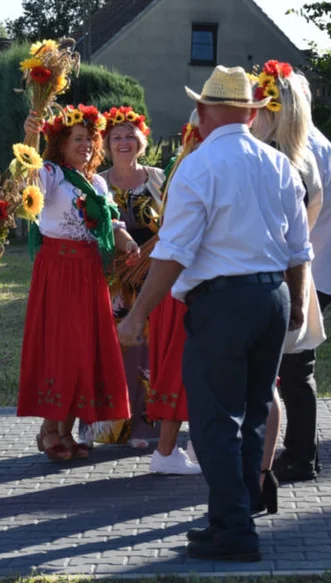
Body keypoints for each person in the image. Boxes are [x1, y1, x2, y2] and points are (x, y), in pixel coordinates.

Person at [117, 66, 312, 562]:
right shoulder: (277, 164)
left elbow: (176, 249)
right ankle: (234, 517)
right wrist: (295, 302)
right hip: (271, 296)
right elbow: (297, 248)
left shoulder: (199, 167)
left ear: (202, 113)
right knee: (252, 412)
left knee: (215, 420)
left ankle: (234, 530)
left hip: (223, 303)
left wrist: (138, 314)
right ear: (249, 114)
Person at [17, 104, 140, 462]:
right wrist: (31, 134)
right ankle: (49, 430)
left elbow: (110, 226)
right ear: (60, 142)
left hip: (89, 272)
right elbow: (30, 181)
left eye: (90, 138)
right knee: (64, 349)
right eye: (78, 138)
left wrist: (128, 243)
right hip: (59, 270)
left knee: (84, 351)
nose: (86, 144)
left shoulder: (96, 182)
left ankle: (65, 430)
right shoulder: (53, 173)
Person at [250, 60, 328, 506]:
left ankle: (278, 461)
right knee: (296, 373)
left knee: (270, 379)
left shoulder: (273, 160)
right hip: (297, 271)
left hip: (274, 276)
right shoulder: (305, 159)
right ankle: (300, 454)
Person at [269, 70, 331, 484]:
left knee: (296, 370)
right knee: (295, 369)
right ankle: (300, 448)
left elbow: (297, 222)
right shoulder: (316, 143)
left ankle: (301, 455)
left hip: (304, 274)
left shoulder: (300, 148)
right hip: (317, 270)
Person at [79, 106, 164, 453]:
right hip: (112, 281)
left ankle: (148, 424)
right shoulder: (95, 182)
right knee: (112, 353)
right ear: (107, 143)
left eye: (131, 135)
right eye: (117, 137)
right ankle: (110, 426)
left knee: (148, 353)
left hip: (154, 279)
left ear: (141, 140)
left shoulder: (158, 178)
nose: (124, 142)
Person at [142, 113, 204, 476]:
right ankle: (166, 451)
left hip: (174, 282)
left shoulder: (183, 165)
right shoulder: (195, 168)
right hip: (184, 285)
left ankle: (187, 445)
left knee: (182, 366)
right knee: (180, 368)